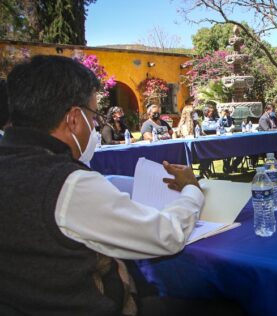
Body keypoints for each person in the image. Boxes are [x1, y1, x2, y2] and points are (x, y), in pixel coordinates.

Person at [0, 55, 204, 314]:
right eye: (93, 115)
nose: (95, 125)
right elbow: (167, 236)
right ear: (74, 119)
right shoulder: (68, 184)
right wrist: (191, 192)